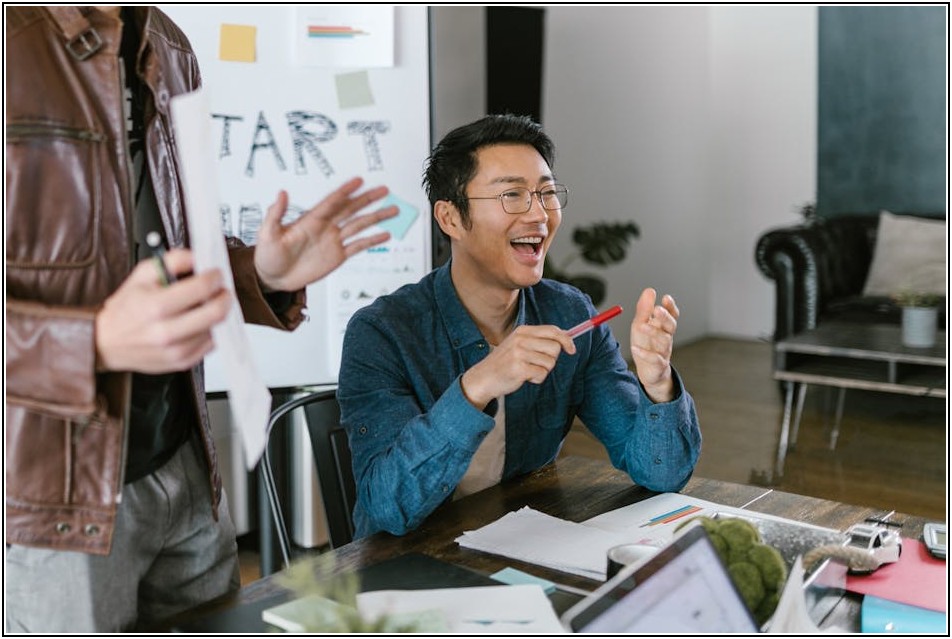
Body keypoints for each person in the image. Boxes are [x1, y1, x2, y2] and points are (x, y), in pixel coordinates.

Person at [5, 6, 397, 633]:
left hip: (184, 461)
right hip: (53, 494)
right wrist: (95, 340)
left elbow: (168, 242)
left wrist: (262, 273)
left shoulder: (168, 41)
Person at [337, 113, 702, 539]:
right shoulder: (382, 333)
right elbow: (387, 508)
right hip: (404, 567)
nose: (539, 215)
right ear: (450, 218)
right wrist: (477, 386)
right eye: (512, 195)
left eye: (546, 193)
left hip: (519, 541)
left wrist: (658, 385)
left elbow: (661, 474)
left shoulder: (569, 314)